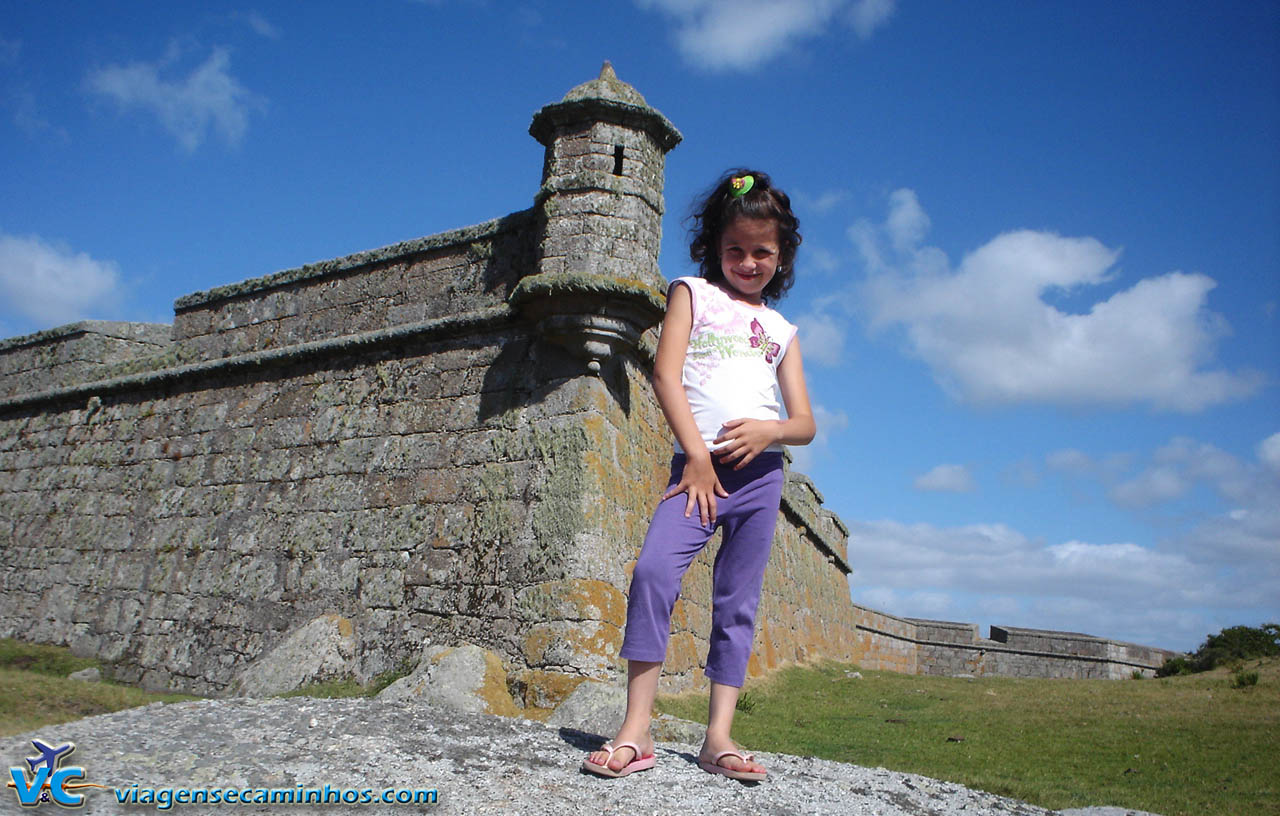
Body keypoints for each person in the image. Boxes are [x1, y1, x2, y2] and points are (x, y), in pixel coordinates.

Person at [582, 169, 816, 782]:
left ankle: (718, 737)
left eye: (762, 251)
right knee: (654, 572)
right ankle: (637, 728)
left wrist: (772, 431)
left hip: (761, 477)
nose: (747, 262)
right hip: (697, 471)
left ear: (782, 253)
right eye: (735, 249)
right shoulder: (690, 292)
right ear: (715, 245)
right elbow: (665, 374)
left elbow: (805, 423)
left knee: (737, 601)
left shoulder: (784, 331)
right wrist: (697, 456)